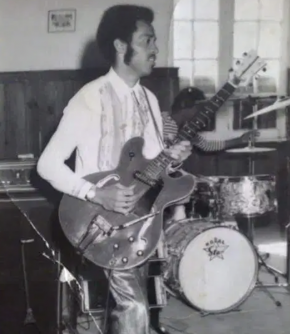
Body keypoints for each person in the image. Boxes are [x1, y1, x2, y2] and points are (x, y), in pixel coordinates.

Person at [37, 5, 192, 334]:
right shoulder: (89, 98)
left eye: (154, 40)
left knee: (136, 305)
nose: (155, 49)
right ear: (122, 46)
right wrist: (97, 194)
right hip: (97, 220)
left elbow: (150, 161)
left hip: (139, 220)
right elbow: (47, 165)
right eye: (147, 40)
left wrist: (172, 157)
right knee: (133, 305)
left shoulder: (148, 98)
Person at [161, 86, 259, 221]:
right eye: (198, 110)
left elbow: (206, 146)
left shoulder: (186, 127)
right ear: (185, 107)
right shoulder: (164, 122)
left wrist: (240, 140)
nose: (201, 115)